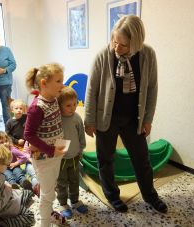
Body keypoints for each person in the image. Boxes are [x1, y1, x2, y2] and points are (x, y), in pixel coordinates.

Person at [84, 15, 167, 213]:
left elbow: (152, 88)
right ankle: (113, 196)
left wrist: (148, 119)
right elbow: (91, 89)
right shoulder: (103, 56)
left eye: (123, 45)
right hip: (107, 118)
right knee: (105, 159)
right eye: (114, 41)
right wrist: (89, 120)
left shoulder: (148, 55)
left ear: (136, 42)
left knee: (142, 158)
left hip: (133, 119)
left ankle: (150, 195)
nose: (116, 48)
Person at [24, 63, 67, 226]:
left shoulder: (53, 97)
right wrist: (50, 150)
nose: (62, 85)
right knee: (48, 195)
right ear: (44, 83)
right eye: (58, 81)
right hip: (45, 156)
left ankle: (48, 212)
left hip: (55, 153)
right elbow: (28, 134)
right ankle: (44, 222)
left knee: (50, 187)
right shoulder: (36, 107)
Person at [56, 87, 88, 218]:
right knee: (61, 181)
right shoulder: (57, 118)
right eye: (68, 105)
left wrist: (81, 149)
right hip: (61, 158)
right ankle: (63, 203)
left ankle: (75, 200)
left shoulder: (77, 118)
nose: (73, 107)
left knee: (74, 180)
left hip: (75, 155)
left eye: (74, 104)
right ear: (60, 105)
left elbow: (81, 134)